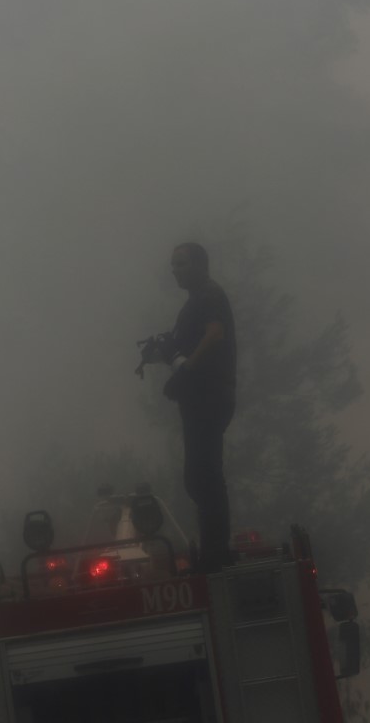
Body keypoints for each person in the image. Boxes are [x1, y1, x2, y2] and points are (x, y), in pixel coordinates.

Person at [162, 242, 237, 573]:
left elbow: (215, 334)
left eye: (181, 264)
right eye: (173, 265)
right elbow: (193, 343)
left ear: (200, 265)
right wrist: (167, 351)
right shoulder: (193, 302)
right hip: (198, 397)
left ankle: (217, 551)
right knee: (198, 475)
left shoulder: (209, 295)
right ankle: (214, 547)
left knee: (204, 473)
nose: (175, 270)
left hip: (209, 395)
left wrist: (188, 370)